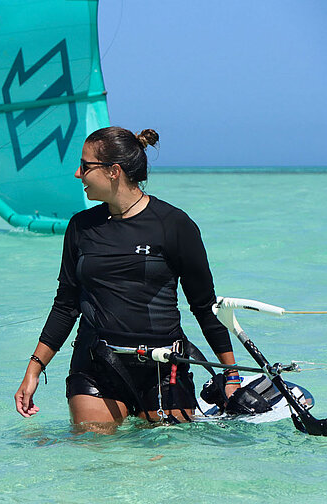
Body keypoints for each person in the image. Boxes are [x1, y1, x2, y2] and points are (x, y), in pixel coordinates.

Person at [14, 126, 241, 430]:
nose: (77, 174)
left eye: (85, 165)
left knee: (160, 466)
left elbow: (204, 306)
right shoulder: (81, 227)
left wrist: (231, 376)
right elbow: (66, 304)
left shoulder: (173, 225)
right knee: (95, 453)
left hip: (164, 367)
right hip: (96, 365)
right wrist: (34, 370)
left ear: (113, 171)